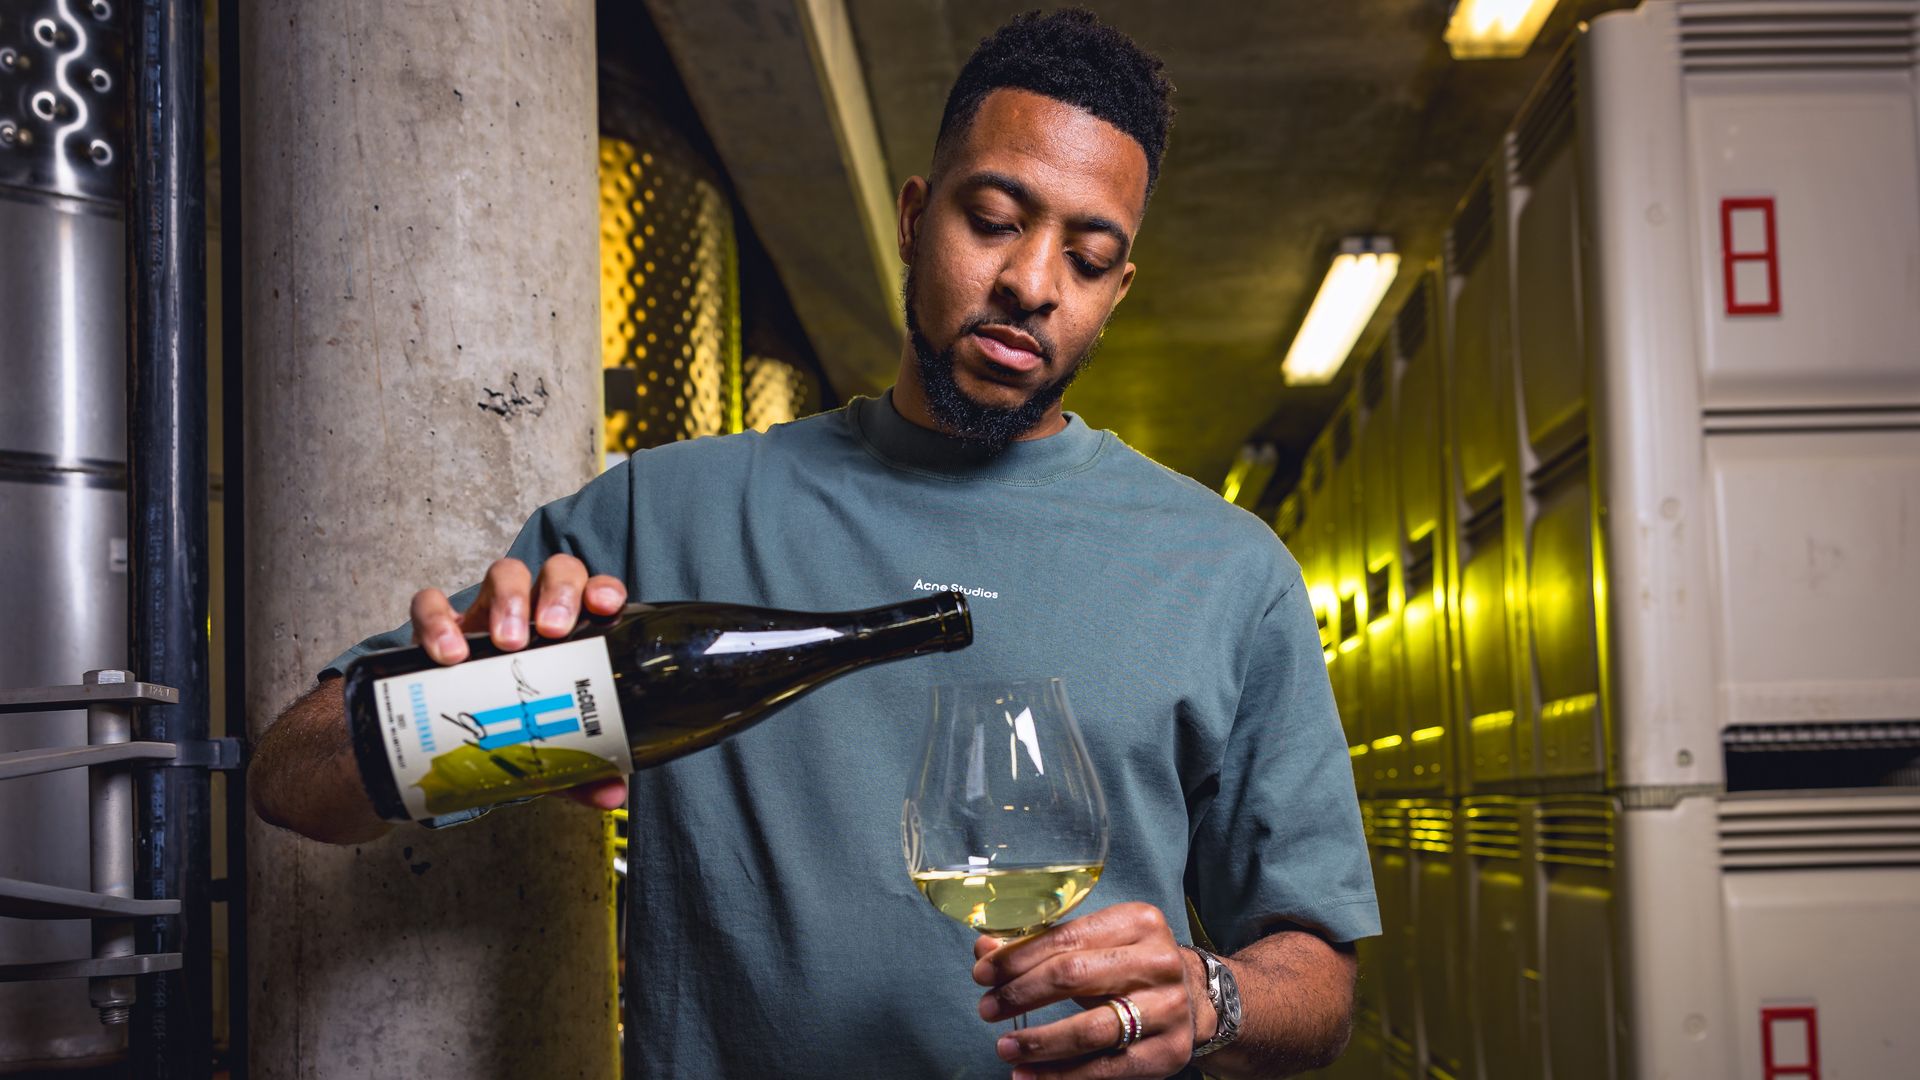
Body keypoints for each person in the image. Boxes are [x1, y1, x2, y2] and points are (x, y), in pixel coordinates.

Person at [249, 9, 1378, 1078]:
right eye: (992, 219)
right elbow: (294, 784)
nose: (1031, 284)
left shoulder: (1228, 572)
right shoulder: (665, 516)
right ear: (912, 214)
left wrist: (1210, 996)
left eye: (1087, 258)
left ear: (1119, 288)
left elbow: (1318, 981)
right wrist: (472, 699)